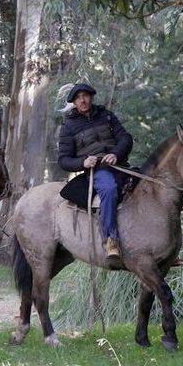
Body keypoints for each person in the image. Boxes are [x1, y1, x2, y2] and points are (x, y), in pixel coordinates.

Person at [58, 83, 132, 260]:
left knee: (148, 186)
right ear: (74, 102)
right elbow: (64, 160)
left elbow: (125, 138)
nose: (82, 100)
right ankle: (110, 240)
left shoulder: (106, 115)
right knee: (108, 189)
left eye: (85, 95)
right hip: (97, 170)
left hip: (119, 165)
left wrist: (116, 153)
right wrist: (84, 162)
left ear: (92, 97)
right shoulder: (69, 126)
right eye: (78, 97)